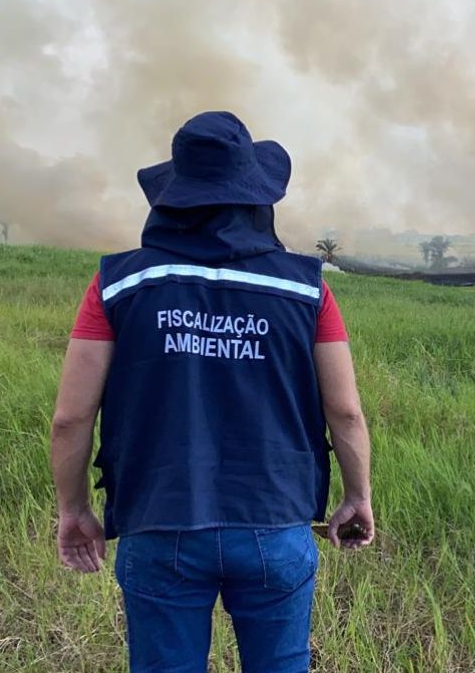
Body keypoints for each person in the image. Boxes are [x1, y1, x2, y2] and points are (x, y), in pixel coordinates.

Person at [48, 111, 374, 672]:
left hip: (158, 522)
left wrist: (73, 508)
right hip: (275, 522)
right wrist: (357, 495)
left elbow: (70, 419)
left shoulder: (116, 283)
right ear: (257, 199)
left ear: (171, 199)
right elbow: (344, 411)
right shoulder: (306, 289)